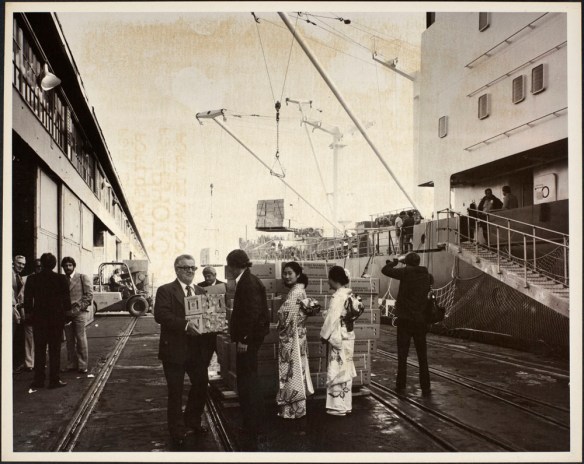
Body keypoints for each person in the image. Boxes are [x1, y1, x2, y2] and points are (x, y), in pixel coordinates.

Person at [154, 254, 215, 449]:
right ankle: (177, 431)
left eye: (193, 268)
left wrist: (216, 321)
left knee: (201, 386)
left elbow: (208, 316)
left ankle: (193, 421)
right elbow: (161, 315)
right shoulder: (165, 290)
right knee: (175, 392)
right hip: (174, 351)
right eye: (186, 268)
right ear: (177, 269)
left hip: (197, 351)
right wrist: (185, 325)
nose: (190, 271)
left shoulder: (201, 291)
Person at [226, 249, 270, 450]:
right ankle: (254, 422)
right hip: (252, 337)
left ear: (233, 266)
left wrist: (244, 339)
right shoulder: (251, 280)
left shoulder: (247, 283)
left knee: (248, 379)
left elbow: (251, 314)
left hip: (248, 339)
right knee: (249, 377)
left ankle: (253, 424)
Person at [381, 252, 433, 396]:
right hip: (420, 321)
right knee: (422, 356)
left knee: (402, 355)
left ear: (407, 262)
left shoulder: (405, 272)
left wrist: (396, 261)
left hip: (405, 321)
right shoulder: (427, 276)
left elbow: (385, 270)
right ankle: (425, 386)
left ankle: (401, 385)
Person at [24, 253, 71, 389]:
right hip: (56, 320)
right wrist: (67, 317)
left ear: (42, 264)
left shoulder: (32, 279)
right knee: (55, 350)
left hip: (39, 320)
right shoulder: (61, 279)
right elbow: (66, 300)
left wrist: (29, 315)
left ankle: (38, 380)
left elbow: (28, 300)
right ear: (55, 264)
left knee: (39, 350)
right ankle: (54, 380)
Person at [276, 262, 314, 419]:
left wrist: (279, 318)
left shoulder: (296, 292)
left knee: (293, 372)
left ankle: (293, 410)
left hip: (293, 338)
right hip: (298, 335)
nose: (286, 276)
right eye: (284, 273)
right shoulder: (299, 290)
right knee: (297, 371)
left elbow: (286, 316)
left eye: (290, 273)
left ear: (298, 274)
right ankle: (295, 408)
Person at [320, 266, 356, 416]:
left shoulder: (338, 296)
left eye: (329, 278)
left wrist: (324, 335)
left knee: (337, 369)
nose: (328, 281)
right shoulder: (349, 294)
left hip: (338, 337)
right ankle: (346, 404)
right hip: (348, 335)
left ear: (335, 280)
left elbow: (332, 319)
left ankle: (337, 406)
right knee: (345, 368)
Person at [61, 257, 93, 374]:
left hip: (79, 313)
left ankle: (83, 365)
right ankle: (71, 364)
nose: (68, 267)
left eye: (70, 265)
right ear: (62, 267)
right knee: (69, 340)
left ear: (74, 266)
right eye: (65, 265)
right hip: (66, 314)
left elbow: (89, 295)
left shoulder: (81, 277)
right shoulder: (62, 279)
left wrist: (80, 307)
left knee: (80, 338)